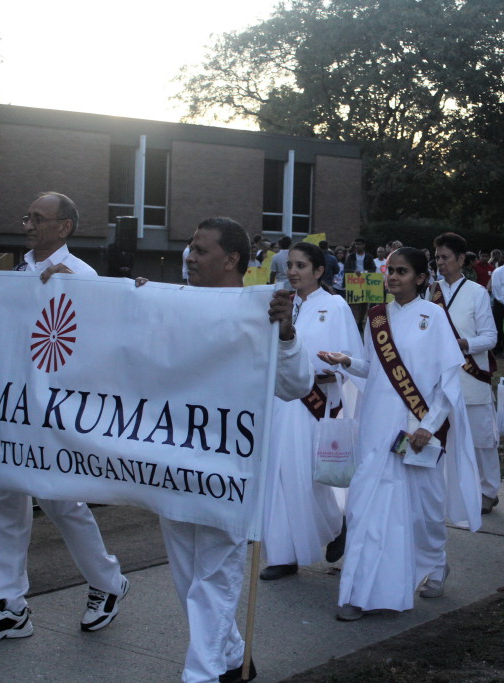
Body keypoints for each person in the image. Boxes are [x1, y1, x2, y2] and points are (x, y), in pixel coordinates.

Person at [0, 192, 129, 645]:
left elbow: (100, 336)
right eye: (27, 216)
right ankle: (8, 605)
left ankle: (108, 581)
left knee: (61, 499)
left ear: (65, 227)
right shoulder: (15, 271)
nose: (28, 224)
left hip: (53, 410)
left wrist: (74, 288)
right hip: (10, 404)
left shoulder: (82, 275)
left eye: (38, 218)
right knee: (5, 498)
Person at [160, 217, 311, 682]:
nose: (189, 255)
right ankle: (230, 658)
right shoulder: (172, 302)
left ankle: (201, 674)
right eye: (190, 245)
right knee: (189, 577)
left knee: (217, 576)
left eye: (201, 250)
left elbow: (296, 385)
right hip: (172, 459)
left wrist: (285, 335)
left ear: (231, 261)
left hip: (229, 468)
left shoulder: (265, 311)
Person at [319, 247, 481, 620]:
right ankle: (360, 592)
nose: (392, 277)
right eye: (389, 270)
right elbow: (372, 370)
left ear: (421, 278)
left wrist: (428, 424)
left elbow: (447, 382)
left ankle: (435, 563)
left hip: (414, 430)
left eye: (402, 271)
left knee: (423, 512)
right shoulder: (376, 316)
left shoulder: (434, 316)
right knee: (365, 508)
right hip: (375, 428)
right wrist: (347, 362)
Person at [259, 242, 362, 581]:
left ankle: (335, 525)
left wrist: (333, 368)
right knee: (277, 476)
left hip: (315, 403)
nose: (292, 271)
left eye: (301, 265)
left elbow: (351, 358)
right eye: (290, 265)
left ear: (319, 271)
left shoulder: (335, 306)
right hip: (281, 402)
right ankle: (282, 554)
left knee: (306, 476)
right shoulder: (281, 304)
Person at [428, 233, 500, 513]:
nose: (440, 263)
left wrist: (464, 344)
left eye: (445, 257)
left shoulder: (477, 292)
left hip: (472, 375)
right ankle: (450, 488)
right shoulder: (431, 291)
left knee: (482, 439)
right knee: (446, 437)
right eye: (437, 258)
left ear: (461, 259)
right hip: (441, 379)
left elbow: (491, 337)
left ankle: (488, 490)